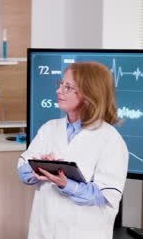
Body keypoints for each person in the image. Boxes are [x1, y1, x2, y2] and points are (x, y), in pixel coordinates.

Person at [17, 61, 129, 239]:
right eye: (61, 84)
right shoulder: (49, 128)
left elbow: (105, 195)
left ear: (89, 94)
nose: (59, 91)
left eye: (68, 87)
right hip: (43, 230)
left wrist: (65, 184)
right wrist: (38, 168)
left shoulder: (110, 139)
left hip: (82, 232)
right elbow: (23, 168)